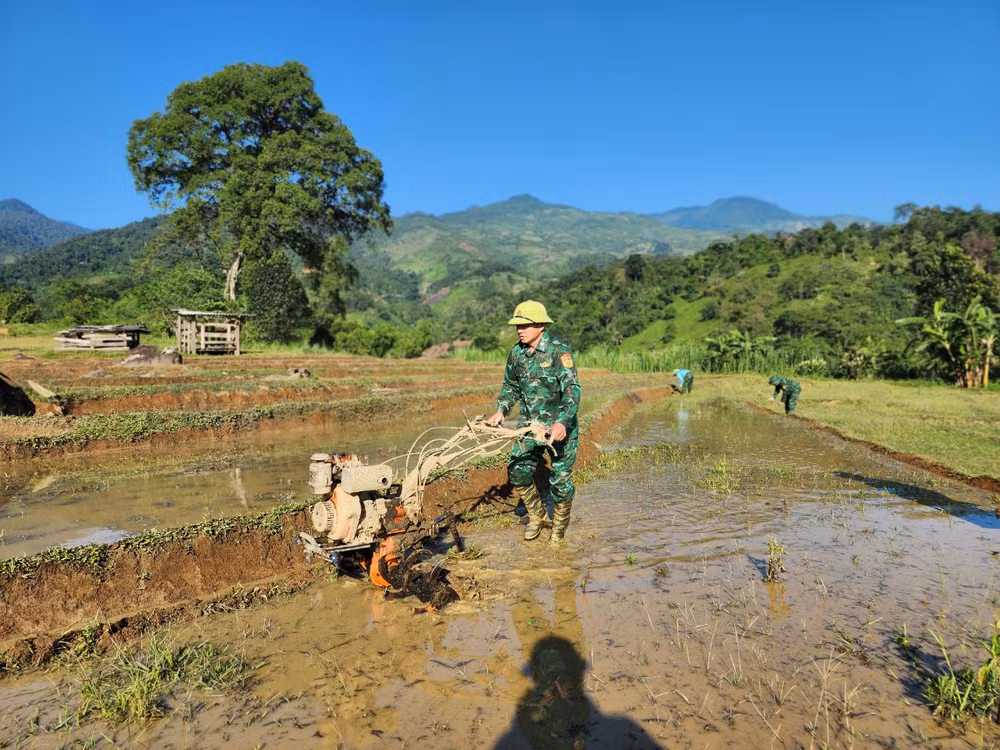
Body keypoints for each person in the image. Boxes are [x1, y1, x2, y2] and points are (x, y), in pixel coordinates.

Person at [485, 300, 581, 545]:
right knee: (518, 472)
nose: (519, 330)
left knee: (559, 481)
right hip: (530, 426)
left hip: (560, 429)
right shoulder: (516, 353)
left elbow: (572, 390)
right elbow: (511, 387)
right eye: (517, 325)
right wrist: (501, 411)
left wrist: (561, 423)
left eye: (525, 325)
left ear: (540, 326)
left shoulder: (558, 351)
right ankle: (537, 516)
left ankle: (558, 532)